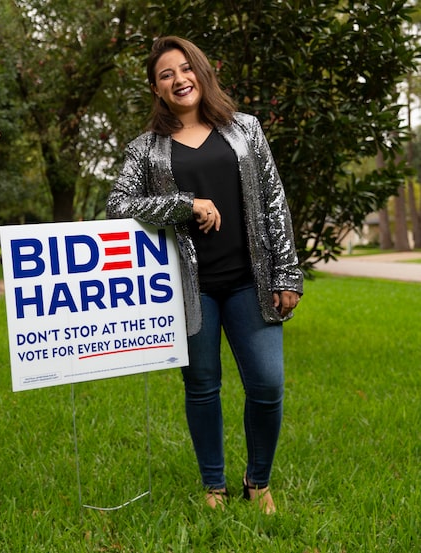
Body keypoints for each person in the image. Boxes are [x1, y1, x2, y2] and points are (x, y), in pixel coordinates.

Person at [106, 36, 303, 514]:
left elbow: (274, 202)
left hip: (249, 280)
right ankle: (213, 485)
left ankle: (258, 481)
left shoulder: (246, 130)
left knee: (267, 384)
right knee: (202, 386)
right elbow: (117, 205)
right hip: (186, 289)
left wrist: (287, 275)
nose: (178, 79)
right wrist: (183, 203)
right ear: (155, 88)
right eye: (166, 74)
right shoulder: (145, 150)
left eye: (184, 68)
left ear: (202, 71)